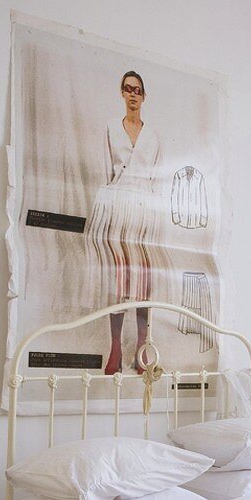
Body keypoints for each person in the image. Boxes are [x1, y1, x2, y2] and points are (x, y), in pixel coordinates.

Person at [85, 71, 170, 374]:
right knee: (119, 280)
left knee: (144, 281)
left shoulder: (154, 136)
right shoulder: (111, 127)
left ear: (144, 96)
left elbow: (159, 180)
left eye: (138, 90)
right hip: (118, 205)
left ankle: (143, 348)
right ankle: (116, 347)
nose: (133, 94)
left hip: (145, 209)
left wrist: (157, 218)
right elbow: (101, 170)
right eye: (127, 89)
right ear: (122, 94)